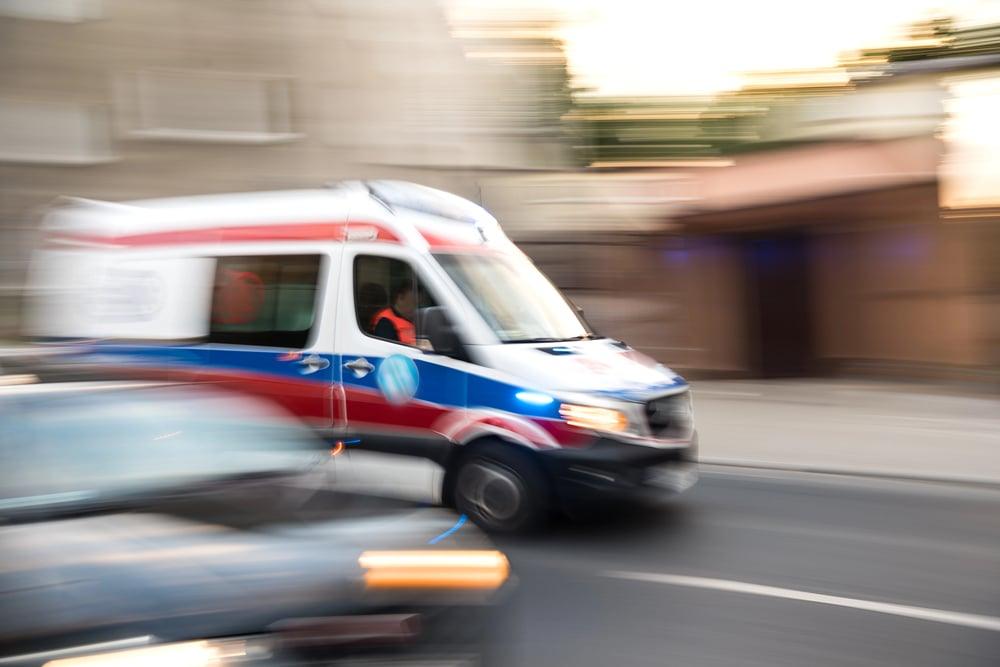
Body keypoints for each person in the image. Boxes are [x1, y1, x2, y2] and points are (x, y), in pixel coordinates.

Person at [372, 278, 416, 345]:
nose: (416, 308)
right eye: (414, 303)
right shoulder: (385, 322)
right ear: (400, 298)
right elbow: (389, 351)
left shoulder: (410, 319)